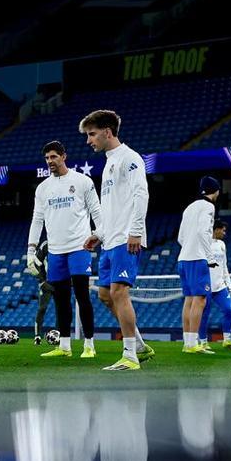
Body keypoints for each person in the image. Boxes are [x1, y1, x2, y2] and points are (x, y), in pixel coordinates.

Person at [80, 110, 152, 371]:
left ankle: (130, 356)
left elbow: (141, 194)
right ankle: (140, 345)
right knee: (105, 295)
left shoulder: (129, 158)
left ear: (107, 132)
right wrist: (99, 234)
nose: (89, 140)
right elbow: (112, 208)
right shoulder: (109, 162)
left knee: (119, 292)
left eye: (92, 134)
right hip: (111, 240)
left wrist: (136, 231)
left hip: (125, 238)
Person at [27, 140, 101, 359]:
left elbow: (97, 211)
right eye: (47, 158)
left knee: (82, 295)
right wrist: (31, 249)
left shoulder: (82, 181)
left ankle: (89, 344)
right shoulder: (43, 188)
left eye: (53, 157)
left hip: (79, 247)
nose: (50, 161)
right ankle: (65, 346)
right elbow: (37, 220)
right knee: (60, 299)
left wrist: (100, 234)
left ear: (63, 156)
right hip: (56, 251)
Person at [176, 176, 220, 355]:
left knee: (189, 299)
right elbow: (203, 232)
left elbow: (180, 237)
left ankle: (188, 343)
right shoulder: (209, 207)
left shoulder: (190, 207)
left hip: (183, 258)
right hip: (198, 258)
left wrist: (189, 247)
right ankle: (193, 343)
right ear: (216, 191)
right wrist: (209, 257)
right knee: (200, 300)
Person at [198, 220, 231, 350]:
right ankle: (203, 342)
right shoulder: (204, 243)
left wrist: (228, 283)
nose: (224, 233)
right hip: (206, 285)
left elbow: (224, 265)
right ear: (216, 230)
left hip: (220, 286)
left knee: (228, 310)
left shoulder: (222, 244)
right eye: (223, 230)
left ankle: (227, 340)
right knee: (204, 314)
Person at [25, 240, 54, 344]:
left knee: (62, 309)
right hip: (46, 284)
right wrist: (41, 281)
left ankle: (62, 336)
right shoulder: (46, 245)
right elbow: (37, 263)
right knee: (42, 308)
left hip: (61, 283)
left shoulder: (65, 242)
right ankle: (37, 336)